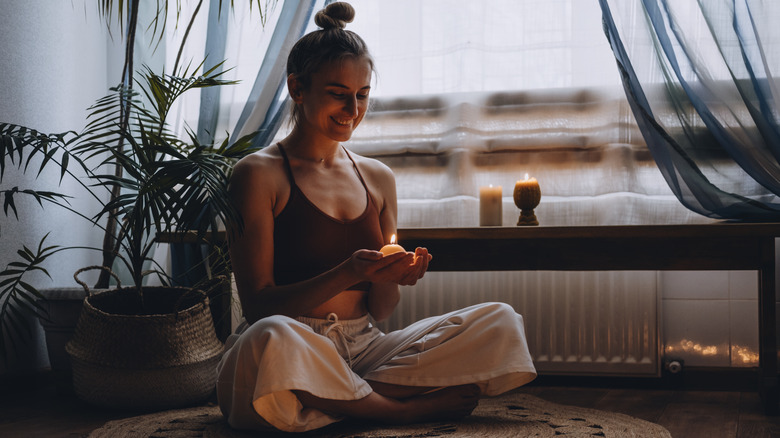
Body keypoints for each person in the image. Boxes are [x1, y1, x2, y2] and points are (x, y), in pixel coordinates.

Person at [216, 2, 537, 433]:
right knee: (268, 339)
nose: (353, 109)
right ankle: (399, 409)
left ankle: (331, 398)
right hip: (294, 342)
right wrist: (348, 271)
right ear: (297, 87)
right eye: (337, 93)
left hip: (365, 346)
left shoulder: (378, 178)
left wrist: (393, 275)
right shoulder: (257, 174)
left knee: (500, 320)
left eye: (362, 95)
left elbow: (382, 311)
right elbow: (258, 306)